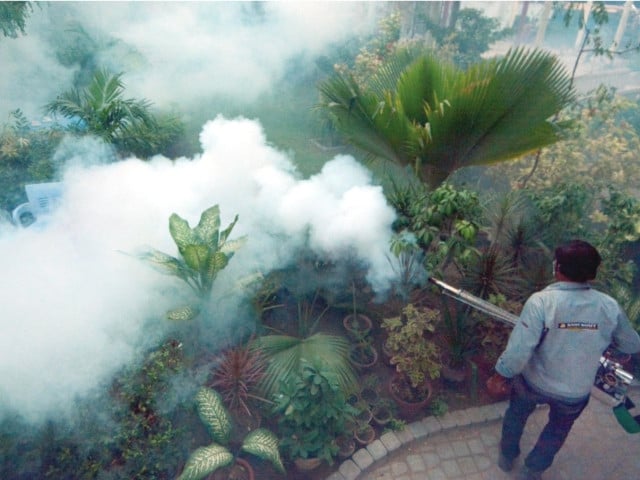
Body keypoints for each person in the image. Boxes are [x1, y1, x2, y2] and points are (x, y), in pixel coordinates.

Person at [487, 239, 640, 480]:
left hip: (533, 383)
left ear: (557, 268)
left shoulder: (541, 302)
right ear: (592, 273)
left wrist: (499, 376)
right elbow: (632, 344)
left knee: (516, 414)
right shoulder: (609, 307)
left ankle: (507, 456)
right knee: (557, 431)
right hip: (575, 392)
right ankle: (532, 471)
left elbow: (518, 351)